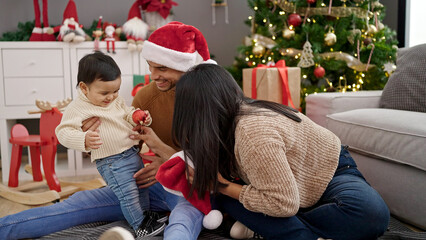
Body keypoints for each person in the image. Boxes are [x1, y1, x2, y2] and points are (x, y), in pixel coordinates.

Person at [0, 21, 215, 240]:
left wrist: (169, 162)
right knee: (75, 205)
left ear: (184, 64)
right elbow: (123, 144)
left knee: (185, 216)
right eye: (150, 66)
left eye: (162, 68)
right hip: (145, 183)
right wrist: (89, 137)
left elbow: (217, 162)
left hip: (188, 188)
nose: (153, 75)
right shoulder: (146, 97)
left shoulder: (210, 97)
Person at [165, 63, 390, 240]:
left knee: (372, 216)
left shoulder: (251, 132)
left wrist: (223, 186)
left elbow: (284, 204)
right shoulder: (226, 128)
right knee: (230, 200)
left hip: (329, 175)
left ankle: (288, 232)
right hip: (284, 193)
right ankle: (303, 233)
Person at [55, 51, 165, 237]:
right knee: (128, 194)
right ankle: (139, 226)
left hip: (131, 153)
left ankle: (146, 216)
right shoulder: (77, 108)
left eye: (116, 91)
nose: (111, 97)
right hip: (111, 162)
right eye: (105, 92)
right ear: (84, 88)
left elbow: (127, 113)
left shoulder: (115, 100)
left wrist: (138, 117)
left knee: (142, 187)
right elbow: (63, 132)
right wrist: (83, 139)